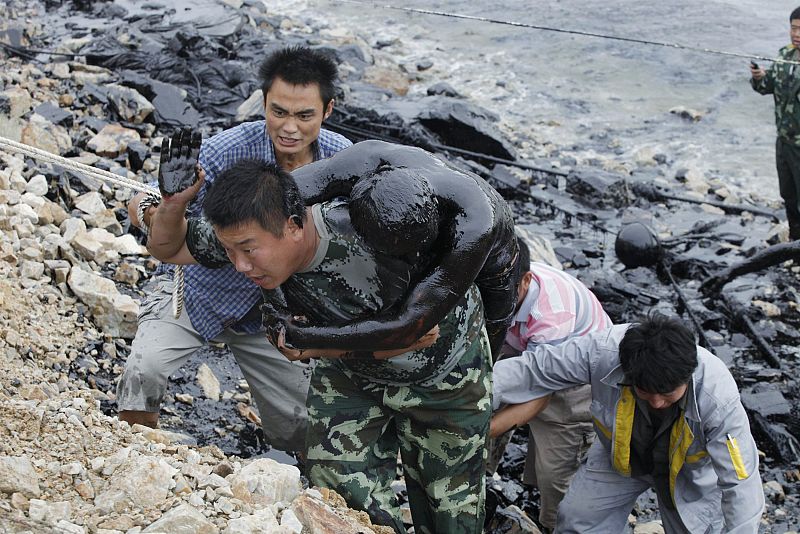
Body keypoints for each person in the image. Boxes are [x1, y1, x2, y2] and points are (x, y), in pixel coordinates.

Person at [149, 157, 492, 533]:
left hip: (444, 375)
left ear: (294, 226)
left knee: (449, 513)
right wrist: (172, 203)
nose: (241, 266)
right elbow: (171, 247)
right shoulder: (246, 230)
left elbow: (409, 337)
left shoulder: (376, 238)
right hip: (352, 377)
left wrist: (311, 348)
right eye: (231, 252)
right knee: (340, 498)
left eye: (248, 251)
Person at [116, 45, 352, 453]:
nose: (289, 128)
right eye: (278, 112)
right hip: (197, 290)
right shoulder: (224, 151)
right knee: (145, 369)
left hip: (277, 310)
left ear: (327, 110)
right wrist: (167, 203)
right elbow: (143, 206)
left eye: (304, 115)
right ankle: (136, 451)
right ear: (262, 102)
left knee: (301, 425)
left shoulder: (343, 161)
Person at [491, 313, 765, 534]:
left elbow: (741, 483)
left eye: (668, 394)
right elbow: (534, 369)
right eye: (645, 392)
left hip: (688, 473)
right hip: (619, 455)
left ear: (687, 376)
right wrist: (468, 390)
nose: (657, 403)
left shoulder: (718, 398)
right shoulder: (601, 352)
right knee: (578, 519)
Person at [272, 138, 519, 360]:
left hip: (494, 260)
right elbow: (270, 201)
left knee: (490, 339)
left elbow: (409, 326)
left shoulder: (475, 226)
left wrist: (307, 336)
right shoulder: (363, 159)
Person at [491, 236, 611, 532]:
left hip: (575, 381)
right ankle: (477, 475)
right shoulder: (493, 279)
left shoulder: (553, 317)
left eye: (503, 292)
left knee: (555, 473)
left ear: (526, 281)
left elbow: (539, 394)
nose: (494, 298)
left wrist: (481, 429)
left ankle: (553, 525)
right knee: (481, 400)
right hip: (518, 349)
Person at [750, 6, 800, 240]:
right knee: (788, 196)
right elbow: (766, 87)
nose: (796, 34)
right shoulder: (784, 57)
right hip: (784, 142)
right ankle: (795, 247)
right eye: (794, 28)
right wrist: (759, 77)